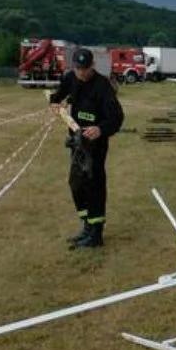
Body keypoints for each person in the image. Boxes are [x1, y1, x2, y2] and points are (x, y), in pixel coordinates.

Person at [48, 48, 125, 249]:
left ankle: (96, 234)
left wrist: (100, 129)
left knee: (94, 185)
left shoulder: (102, 86)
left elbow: (116, 118)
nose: (81, 73)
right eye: (78, 69)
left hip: (95, 145)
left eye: (85, 69)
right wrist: (54, 102)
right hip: (76, 141)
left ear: (92, 66)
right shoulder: (70, 78)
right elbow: (58, 94)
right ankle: (86, 226)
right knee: (76, 183)